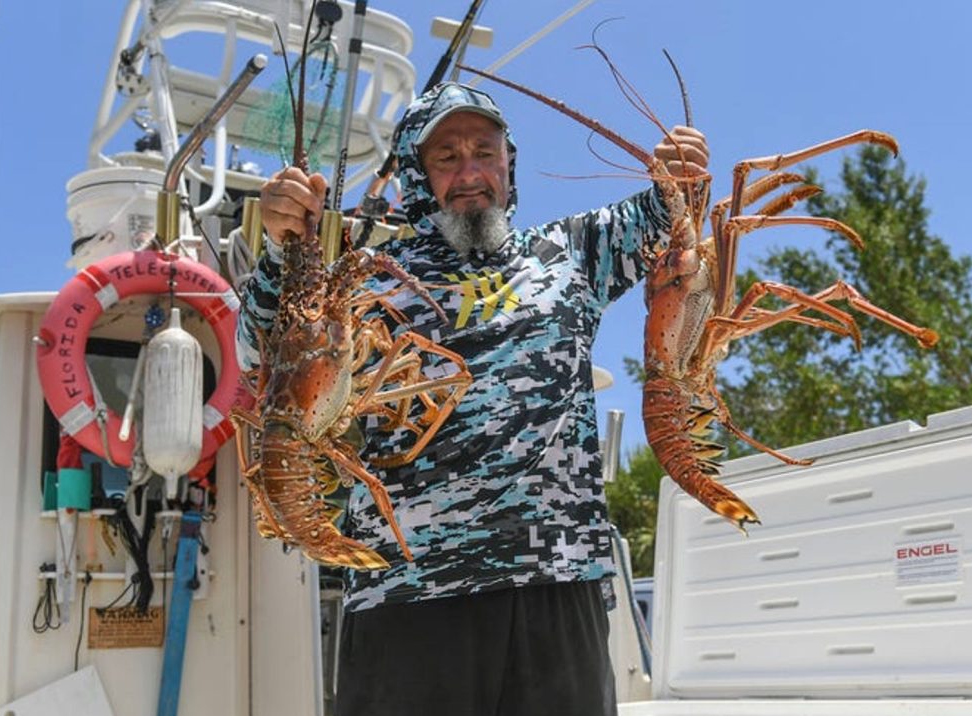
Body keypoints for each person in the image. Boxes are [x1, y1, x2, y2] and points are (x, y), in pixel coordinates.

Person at [237, 81, 708, 716]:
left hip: (556, 585)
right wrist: (278, 245)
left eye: (484, 152)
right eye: (446, 157)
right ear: (414, 174)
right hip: (404, 596)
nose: (469, 174)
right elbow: (259, 351)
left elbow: (671, 209)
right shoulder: (368, 276)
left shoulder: (572, 253)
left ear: (509, 162)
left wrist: (684, 166)